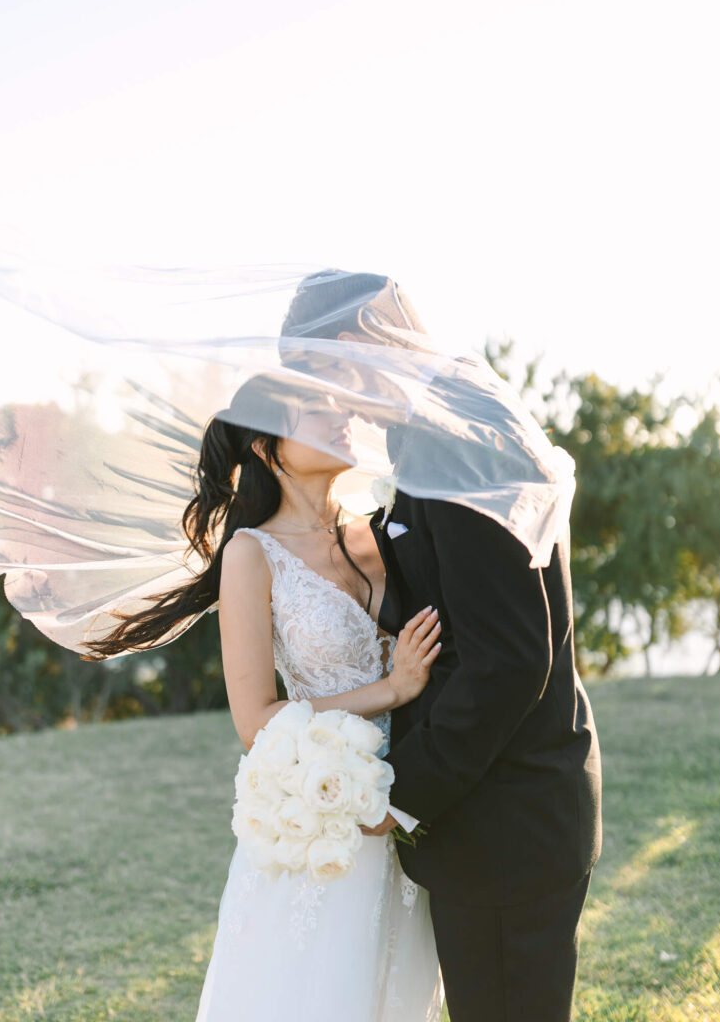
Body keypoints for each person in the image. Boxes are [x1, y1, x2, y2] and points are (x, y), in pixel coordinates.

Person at [281, 271, 604, 1022]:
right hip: (502, 814)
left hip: (508, 821)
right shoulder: (444, 415)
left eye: (323, 371)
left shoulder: (452, 435)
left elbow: (510, 659)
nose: (331, 400)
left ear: (361, 343)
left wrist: (398, 793)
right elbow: (460, 602)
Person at [82, 374, 445, 1022]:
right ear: (263, 446)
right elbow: (256, 721)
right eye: (313, 410)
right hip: (319, 813)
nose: (339, 416)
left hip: (406, 803)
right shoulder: (253, 554)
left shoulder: (381, 534)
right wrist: (392, 687)